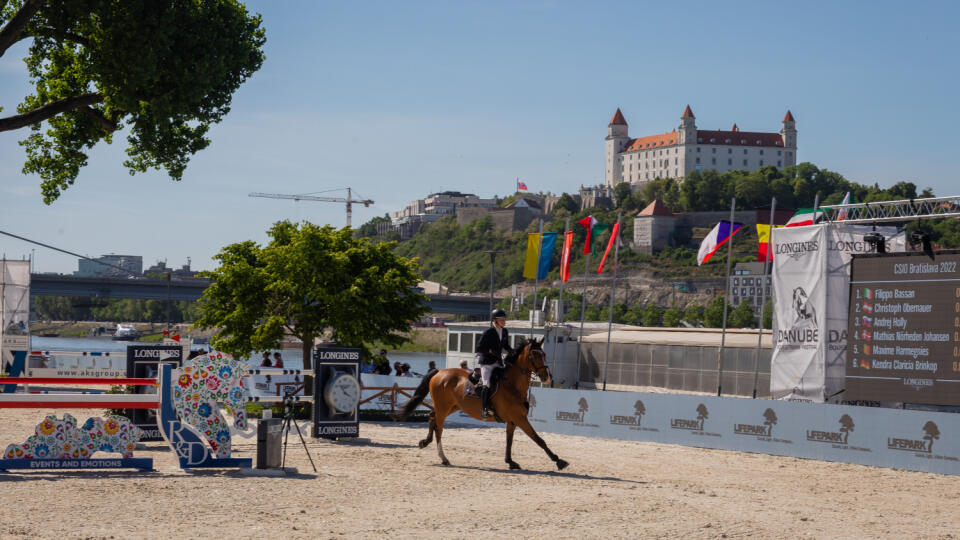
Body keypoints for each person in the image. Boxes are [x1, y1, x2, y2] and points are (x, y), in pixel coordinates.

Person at [475, 309, 512, 418]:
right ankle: (484, 409)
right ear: (495, 321)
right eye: (502, 320)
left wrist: (512, 351)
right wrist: (490, 351)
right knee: (487, 383)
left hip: (498, 362)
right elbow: (479, 347)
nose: (504, 321)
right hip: (487, 362)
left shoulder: (505, 331)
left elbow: (505, 345)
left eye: (504, 319)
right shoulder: (488, 332)